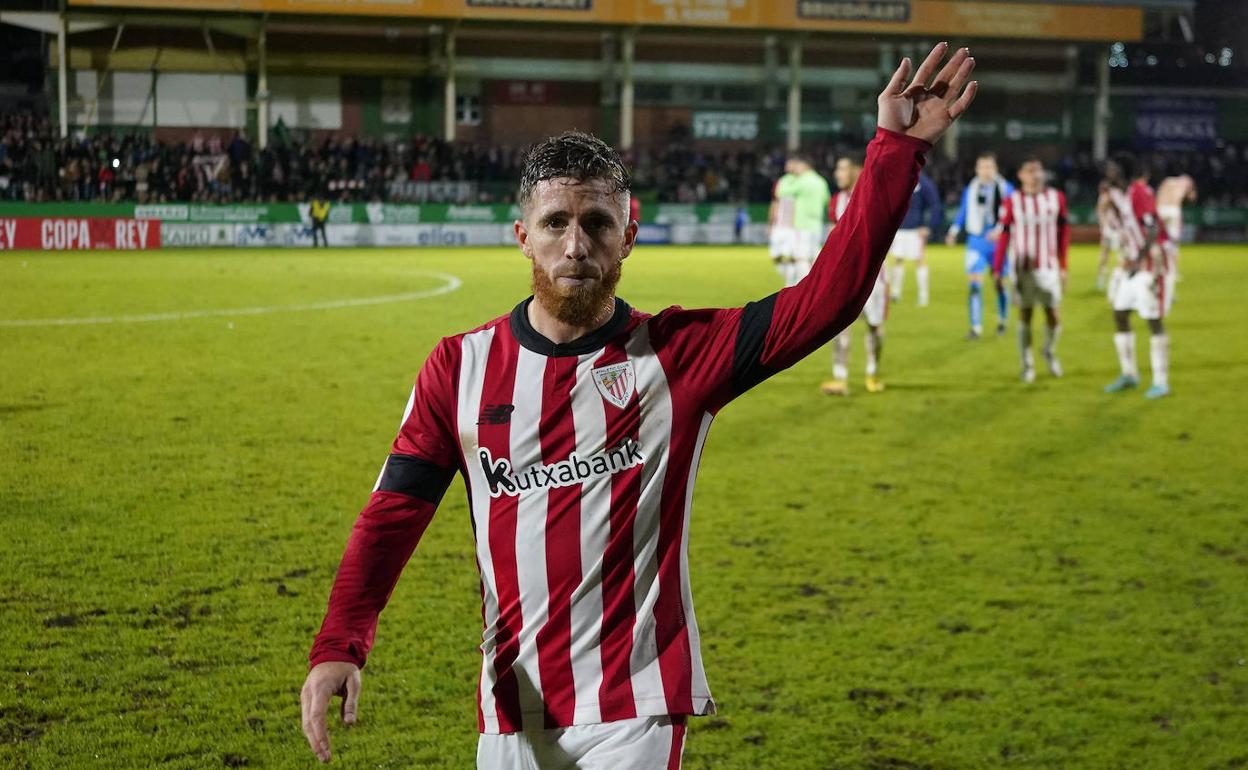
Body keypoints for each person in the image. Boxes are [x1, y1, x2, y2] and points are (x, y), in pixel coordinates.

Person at [299, 43, 977, 769]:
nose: (575, 245)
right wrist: (340, 642)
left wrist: (896, 148)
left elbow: (826, 300)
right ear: (523, 237)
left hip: (636, 706)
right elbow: (393, 513)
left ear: (628, 235)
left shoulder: (680, 355)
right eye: (555, 223)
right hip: (510, 707)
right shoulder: (458, 368)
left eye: (596, 223)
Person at [1103, 155, 1175, 399]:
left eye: (1112, 168)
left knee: (1153, 319)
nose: (1108, 172)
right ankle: (1129, 374)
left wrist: (1139, 258)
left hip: (1150, 264)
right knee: (1120, 313)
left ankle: (1161, 382)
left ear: (1122, 171)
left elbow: (1153, 228)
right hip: (1133, 264)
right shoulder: (1123, 196)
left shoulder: (1139, 192)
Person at [991, 157, 1069, 383]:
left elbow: (1063, 233)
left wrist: (1064, 266)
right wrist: (998, 269)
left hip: (1049, 267)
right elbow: (1004, 235)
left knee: (1053, 315)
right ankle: (1027, 364)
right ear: (1021, 175)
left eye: (1038, 170)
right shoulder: (1012, 201)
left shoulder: (1056, 198)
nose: (1034, 175)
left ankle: (1049, 351)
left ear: (1043, 174)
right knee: (1025, 314)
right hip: (1022, 269)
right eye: (1029, 171)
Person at [821, 151, 888, 396]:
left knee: (874, 327)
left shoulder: (873, 196)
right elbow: (832, 238)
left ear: (856, 170)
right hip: (844, 277)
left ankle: (872, 372)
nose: (837, 174)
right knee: (839, 327)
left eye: (842, 168)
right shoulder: (836, 200)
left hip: (873, 275)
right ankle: (840, 377)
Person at [945, 150, 1013, 338]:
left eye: (989, 167)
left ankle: (1002, 321)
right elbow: (964, 211)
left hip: (998, 243)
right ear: (977, 169)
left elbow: (1012, 214)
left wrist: (999, 230)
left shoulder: (1006, 188)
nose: (986, 171)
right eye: (982, 167)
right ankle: (975, 327)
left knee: (999, 283)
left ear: (995, 168)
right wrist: (953, 231)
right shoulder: (971, 188)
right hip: (976, 241)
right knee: (974, 285)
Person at [888, 168, 941, 306]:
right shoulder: (898, 179)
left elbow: (935, 205)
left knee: (919, 260)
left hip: (916, 230)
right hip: (898, 229)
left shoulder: (924, 182)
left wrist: (929, 226)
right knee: (897, 259)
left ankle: (923, 296)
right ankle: (895, 293)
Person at [1155, 172, 1196, 282]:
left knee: (1158, 241)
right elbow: (1191, 197)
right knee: (1174, 244)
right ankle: (1172, 272)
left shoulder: (1167, 181)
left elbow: (1158, 195)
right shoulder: (1185, 184)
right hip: (1173, 211)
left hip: (1161, 209)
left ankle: (1158, 269)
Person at [768, 161, 799, 285]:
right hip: (779, 226)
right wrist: (770, 224)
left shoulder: (802, 182)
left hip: (793, 227)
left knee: (791, 257)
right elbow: (774, 203)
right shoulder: (781, 182)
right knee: (775, 255)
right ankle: (790, 279)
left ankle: (791, 283)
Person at [1094, 179, 1121, 293]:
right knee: (1114, 255)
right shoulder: (1108, 197)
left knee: (1106, 254)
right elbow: (1100, 212)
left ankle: (1102, 279)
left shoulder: (1108, 197)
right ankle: (1103, 279)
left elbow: (1100, 212)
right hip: (1113, 229)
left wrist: (1104, 226)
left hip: (1113, 229)